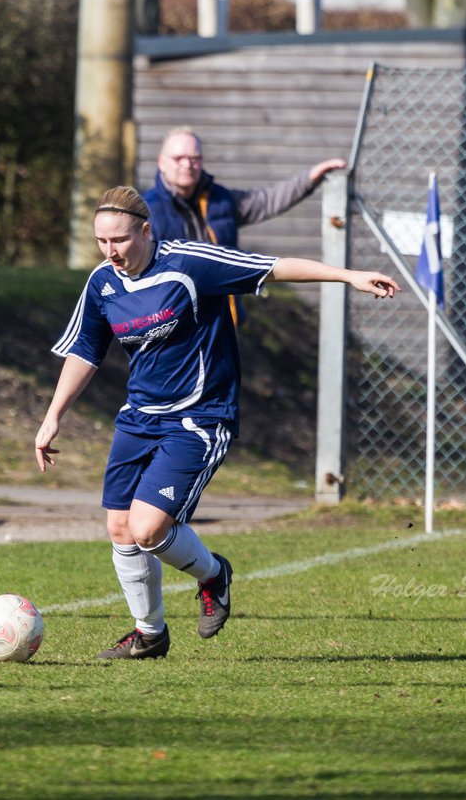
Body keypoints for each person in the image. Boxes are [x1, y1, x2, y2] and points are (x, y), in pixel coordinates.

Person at [34, 185, 397, 660]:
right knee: (120, 528)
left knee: (147, 529)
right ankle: (149, 634)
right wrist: (52, 417)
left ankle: (212, 575)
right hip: (139, 416)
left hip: (200, 417)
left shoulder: (189, 264)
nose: (111, 252)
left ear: (146, 230)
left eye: (120, 240)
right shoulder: (103, 283)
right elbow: (85, 351)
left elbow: (273, 266)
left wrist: (349, 276)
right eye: (102, 242)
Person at [141, 126, 347, 249]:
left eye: (195, 158)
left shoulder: (220, 200)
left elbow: (266, 201)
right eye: (179, 158)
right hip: (175, 319)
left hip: (224, 318)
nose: (187, 165)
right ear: (162, 162)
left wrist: (311, 178)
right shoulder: (146, 210)